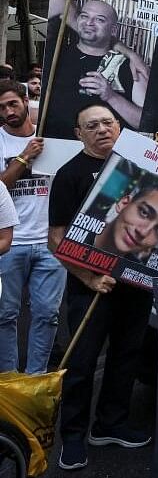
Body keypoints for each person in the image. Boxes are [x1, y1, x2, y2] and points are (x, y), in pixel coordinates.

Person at [49, 104, 151, 470]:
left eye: (108, 123)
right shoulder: (69, 174)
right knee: (82, 361)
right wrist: (89, 278)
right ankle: (72, 437)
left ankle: (111, 423)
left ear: (119, 126)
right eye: (91, 125)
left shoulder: (137, 167)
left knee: (126, 355)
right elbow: (56, 240)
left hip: (135, 284)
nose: (102, 130)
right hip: (90, 287)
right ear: (79, 134)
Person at [0, 80, 60, 374]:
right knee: (5, 315)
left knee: (47, 315)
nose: (8, 111)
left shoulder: (51, 138)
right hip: (10, 242)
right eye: (1, 107)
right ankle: (9, 382)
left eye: (12, 103)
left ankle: (35, 381)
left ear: (26, 100)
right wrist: (24, 158)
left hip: (50, 242)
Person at [44, 0, 150, 139]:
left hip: (100, 155)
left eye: (99, 19)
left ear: (113, 30)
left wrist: (111, 96)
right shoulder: (55, 54)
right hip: (52, 146)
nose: (89, 23)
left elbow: (146, 123)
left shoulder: (130, 67)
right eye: (84, 16)